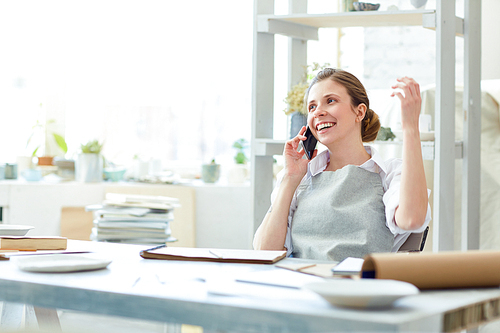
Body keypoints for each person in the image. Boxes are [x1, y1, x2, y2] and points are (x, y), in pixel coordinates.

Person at [253, 68, 431, 261]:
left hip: (360, 288)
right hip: (301, 286)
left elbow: (412, 219)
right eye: (312, 107)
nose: (318, 112)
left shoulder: (390, 173)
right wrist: (290, 179)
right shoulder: (299, 177)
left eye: (330, 101)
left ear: (359, 111)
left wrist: (410, 128)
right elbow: (264, 253)